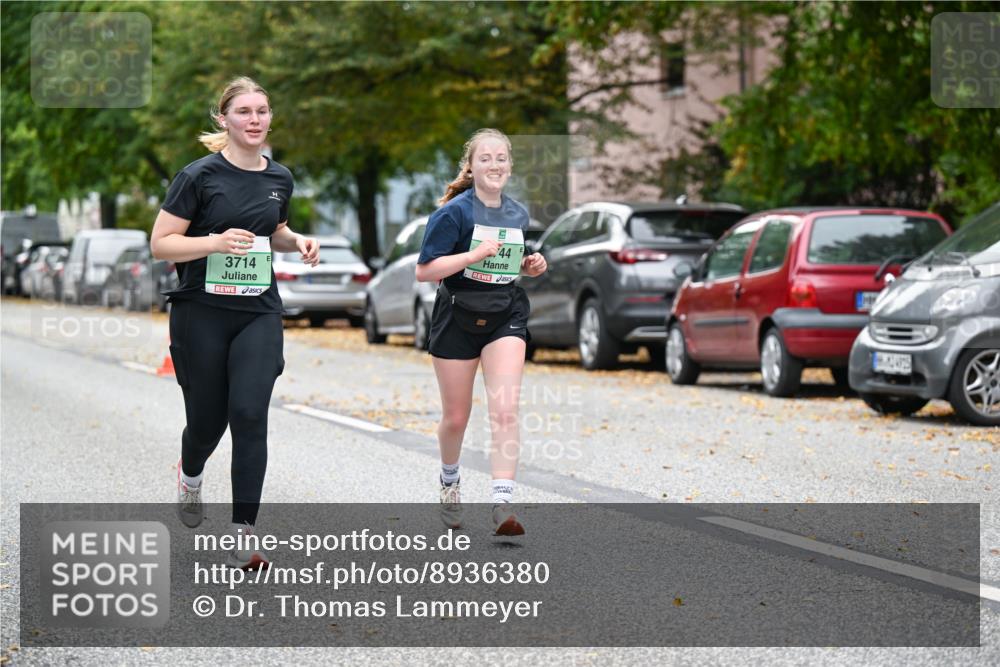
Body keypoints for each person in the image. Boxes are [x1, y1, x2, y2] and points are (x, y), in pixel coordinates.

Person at [150, 76, 318, 570]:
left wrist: (299, 239)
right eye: (243, 111)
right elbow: (161, 243)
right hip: (200, 311)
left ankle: (244, 531)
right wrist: (213, 242)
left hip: (258, 311)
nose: (254, 120)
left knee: (249, 414)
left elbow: (275, 230)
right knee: (207, 423)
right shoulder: (197, 176)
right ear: (223, 119)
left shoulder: (280, 178)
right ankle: (191, 471)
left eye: (262, 111)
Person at [415, 128, 548, 536]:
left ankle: (502, 503)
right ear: (471, 167)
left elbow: (509, 262)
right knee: (456, 417)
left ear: (510, 165)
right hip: (457, 314)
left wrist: (529, 265)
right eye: (485, 158)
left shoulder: (517, 213)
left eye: (501, 158)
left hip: (504, 313)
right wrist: (471, 256)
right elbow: (425, 271)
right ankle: (450, 482)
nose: (494, 165)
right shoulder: (453, 213)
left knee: (505, 409)